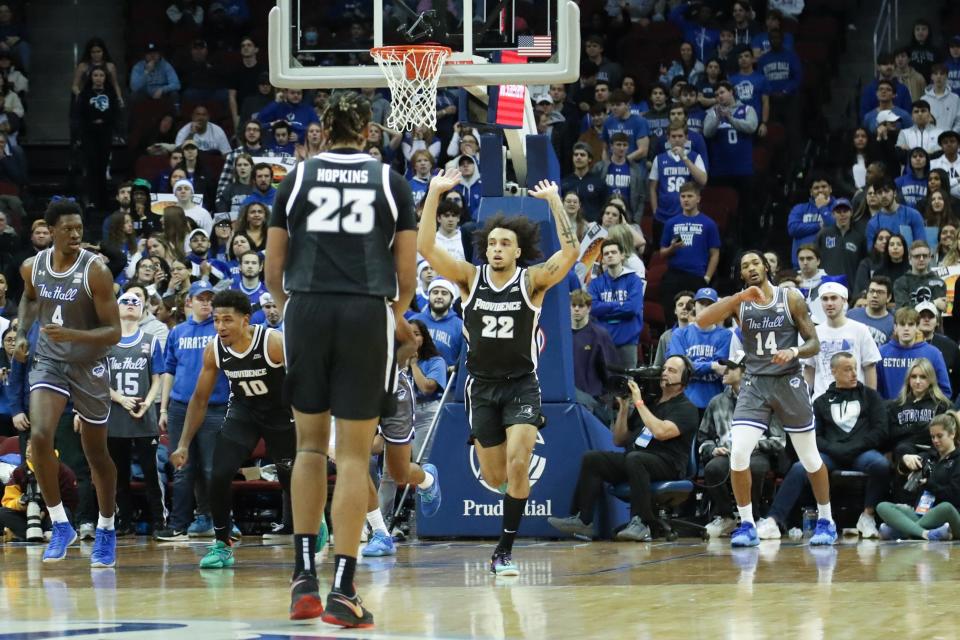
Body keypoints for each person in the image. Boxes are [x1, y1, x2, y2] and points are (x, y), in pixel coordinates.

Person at [264, 91, 417, 628]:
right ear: (368, 131)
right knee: (353, 457)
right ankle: (344, 590)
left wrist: (293, 310)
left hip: (305, 308)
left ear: (322, 130)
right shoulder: (390, 182)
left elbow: (272, 270)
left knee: (309, 446)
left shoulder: (297, 178)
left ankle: (303, 578)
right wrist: (388, 314)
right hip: (364, 312)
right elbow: (407, 278)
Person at [418, 168, 578, 574]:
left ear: (518, 250)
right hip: (482, 389)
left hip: (522, 386)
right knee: (494, 477)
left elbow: (572, 251)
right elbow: (425, 246)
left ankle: (503, 551)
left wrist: (555, 201)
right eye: (491, 243)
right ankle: (512, 495)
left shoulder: (533, 281)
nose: (497, 248)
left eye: (505, 243)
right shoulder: (470, 279)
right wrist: (435, 193)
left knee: (519, 464)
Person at [695, 250, 835, 547]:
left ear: (767, 267)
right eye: (744, 266)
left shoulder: (790, 298)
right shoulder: (739, 304)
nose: (750, 268)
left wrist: (794, 351)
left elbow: (814, 343)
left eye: (755, 262)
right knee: (738, 454)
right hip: (756, 383)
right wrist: (735, 299)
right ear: (742, 274)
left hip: (789, 381)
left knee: (809, 457)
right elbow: (702, 321)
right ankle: (746, 524)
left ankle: (826, 519)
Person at [14, 199, 122, 564]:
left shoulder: (96, 272)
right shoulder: (33, 267)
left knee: (96, 455)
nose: (76, 234)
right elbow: (29, 300)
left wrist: (73, 334)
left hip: (89, 365)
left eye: (80, 228)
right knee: (40, 439)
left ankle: (106, 526)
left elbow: (114, 333)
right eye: (68, 228)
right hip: (50, 361)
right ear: (51, 228)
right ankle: (61, 523)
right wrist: (22, 331)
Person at [169, 290, 297, 569]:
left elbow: (305, 380)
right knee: (219, 472)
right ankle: (222, 544)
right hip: (244, 412)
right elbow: (200, 398)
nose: (221, 327)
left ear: (245, 320)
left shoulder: (273, 342)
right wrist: (182, 443)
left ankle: (313, 525)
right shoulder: (214, 348)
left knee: (291, 478)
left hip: (281, 414)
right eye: (216, 320)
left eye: (227, 320)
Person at [547, 356, 699, 541]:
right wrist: (625, 407)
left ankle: (642, 523)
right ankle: (583, 520)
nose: (665, 373)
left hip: (669, 464)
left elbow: (660, 432)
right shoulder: (652, 403)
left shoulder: (687, 408)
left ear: (684, 380)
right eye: (664, 369)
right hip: (638, 460)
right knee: (593, 458)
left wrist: (640, 403)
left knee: (635, 458)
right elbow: (619, 440)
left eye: (672, 371)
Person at [155, 280, 229, 542]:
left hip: (214, 406)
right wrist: (163, 409)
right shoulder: (177, 332)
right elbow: (169, 371)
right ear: (190, 302)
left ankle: (222, 523)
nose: (206, 303)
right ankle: (178, 525)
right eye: (201, 298)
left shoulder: (221, 329)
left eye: (210, 299)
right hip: (180, 407)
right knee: (182, 467)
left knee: (212, 468)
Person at [699, 351, 785, 538]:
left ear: (746, 372)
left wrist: (756, 445)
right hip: (726, 454)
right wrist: (713, 449)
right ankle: (725, 516)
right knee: (713, 468)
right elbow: (703, 438)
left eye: (730, 367)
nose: (724, 371)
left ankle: (753, 517)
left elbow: (780, 440)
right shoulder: (716, 402)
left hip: (756, 453)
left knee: (754, 467)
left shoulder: (767, 401)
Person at [105, 292, 165, 536]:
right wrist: (120, 399)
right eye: (125, 301)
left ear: (142, 311)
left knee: (151, 473)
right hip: (116, 418)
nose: (130, 305)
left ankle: (159, 522)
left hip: (144, 418)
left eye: (135, 302)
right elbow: (97, 379)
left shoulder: (151, 340)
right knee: (118, 475)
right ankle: (125, 521)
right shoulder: (106, 342)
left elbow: (157, 379)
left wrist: (147, 404)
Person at [876, 414, 960, 541]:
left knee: (946, 507)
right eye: (932, 437)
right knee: (882, 506)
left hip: (950, 516)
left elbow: (954, 497)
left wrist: (929, 484)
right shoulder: (928, 456)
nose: (935, 441)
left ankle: (903, 531)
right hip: (922, 514)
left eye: (939, 436)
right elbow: (902, 470)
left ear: (952, 434)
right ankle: (926, 534)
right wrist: (905, 460)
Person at [802, 283, 880, 400]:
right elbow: (809, 371)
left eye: (834, 298)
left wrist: (871, 401)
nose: (829, 303)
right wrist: (805, 401)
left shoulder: (860, 329)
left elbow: (869, 367)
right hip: (822, 401)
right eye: (825, 299)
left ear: (844, 301)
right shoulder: (815, 333)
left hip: (854, 400)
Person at [667, 288, 732, 412]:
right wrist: (712, 365)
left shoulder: (726, 336)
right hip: (684, 401)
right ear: (694, 306)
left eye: (710, 304)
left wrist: (693, 366)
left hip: (715, 402)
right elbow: (679, 368)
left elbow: (722, 368)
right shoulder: (679, 334)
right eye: (701, 303)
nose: (705, 307)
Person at [587, 240, 645, 368]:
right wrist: (618, 305)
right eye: (606, 253)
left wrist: (604, 311)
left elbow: (632, 309)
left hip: (628, 342)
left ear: (622, 256)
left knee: (628, 383)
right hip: (603, 342)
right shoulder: (595, 284)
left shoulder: (634, 280)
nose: (610, 255)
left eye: (614, 252)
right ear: (603, 259)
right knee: (604, 384)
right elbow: (592, 309)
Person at [877, 308, 952, 401]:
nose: (906, 329)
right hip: (889, 412)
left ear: (917, 327)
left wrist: (929, 409)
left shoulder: (933, 354)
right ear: (895, 327)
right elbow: (875, 390)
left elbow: (945, 390)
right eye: (902, 324)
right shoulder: (881, 353)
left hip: (925, 413)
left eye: (911, 324)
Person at [816, 199, 866, 288]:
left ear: (851, 212)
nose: (842, 215)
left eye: (845, 211)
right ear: (833, 214)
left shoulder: (859, 237)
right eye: (838, 212)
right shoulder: (823, 234)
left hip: (850, 287)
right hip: (827, 286)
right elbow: (815, 258)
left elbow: (863, 264)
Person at [893, 240, 947, 310]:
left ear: (930, 258)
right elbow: (903, 311)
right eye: (917, 256)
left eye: (925, 256)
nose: (921, 259)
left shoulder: (939, 283)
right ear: (909, 259)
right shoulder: (900, 283)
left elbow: (940, 309)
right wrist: (934, 303)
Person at [847, 275, 895, 346]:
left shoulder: (893, 324)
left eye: (880, 292)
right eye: (871, 291)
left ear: (889, 297)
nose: (875, 295)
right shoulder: (851, 315)